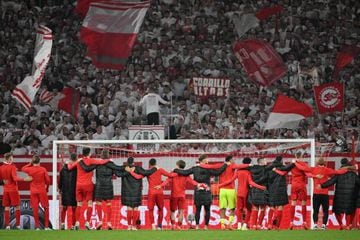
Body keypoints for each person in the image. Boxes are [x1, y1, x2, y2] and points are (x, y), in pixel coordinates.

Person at [79, 150, 143, 230]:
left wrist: (80, 162)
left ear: (101, 156)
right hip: (108, 186)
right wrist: (127, 169)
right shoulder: (111, 164)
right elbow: (118, 171)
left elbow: (87, 169)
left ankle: (100, 221)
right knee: (108, 203)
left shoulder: (98, 164)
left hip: (99, 186)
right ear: (108, 156)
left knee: (99, 202)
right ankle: (109, 223)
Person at [173, 154, 227, 230]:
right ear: (204, 160)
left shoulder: (195, 168)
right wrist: (225, 165)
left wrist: (176, 170)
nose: (208, 160)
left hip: (198, 191)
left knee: (198, 210)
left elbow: (185, 172)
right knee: (207, 209)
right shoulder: (208, 169)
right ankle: (206, 226)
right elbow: (218, 172)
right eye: (207, 159)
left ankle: (197, 226)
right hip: (207, 191)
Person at [294, 158, 350, 230]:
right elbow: (338, 172)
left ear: (317, 163)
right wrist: (348, 170)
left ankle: (315, 225)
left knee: (315, 210)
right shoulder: (327, 170)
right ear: (324, 163)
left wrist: (295, 163)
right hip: (324, 194)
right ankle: (323, 225)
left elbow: (302, 168)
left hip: (316, 193)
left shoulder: (313, 169)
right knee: (325, 210)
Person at [201, 155, 250, 230]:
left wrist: (200, 164)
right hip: (230, 190)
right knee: (232, 208)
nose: (234, 161)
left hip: (222, 190)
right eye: (233, 160)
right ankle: (230, 224)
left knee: (222, 208)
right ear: (230, 160)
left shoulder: (221, 165)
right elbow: (240, 166)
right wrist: (249, 165)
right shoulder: (232, 165)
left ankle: (223, 225)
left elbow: (211, 166)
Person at [217, 157, 266, 230]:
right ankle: (244, 225)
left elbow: (231, 180)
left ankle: (239, 224)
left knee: (239, 209)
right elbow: (250, 182)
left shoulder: (238, 171)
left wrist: (220, 185)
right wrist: (260, 187)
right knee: (249, 209)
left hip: (238, 193)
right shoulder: (248, 172)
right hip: (246, 193)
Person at [67, 147, 110, 230]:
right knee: (89, 203)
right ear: (89, 153)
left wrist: (68, 163)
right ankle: (87, 222)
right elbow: (102, 161)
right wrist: (109, 160)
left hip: (78, 185)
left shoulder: (79, 161)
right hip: (88, 185)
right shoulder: (91, 160)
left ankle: (77, 223)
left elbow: (69, 167)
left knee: (79, 204)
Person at [156, 160, 199, 230]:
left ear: (177, 165)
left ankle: (173, 226)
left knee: (172, 211)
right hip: (182, 196)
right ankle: (179, 226)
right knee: (181, 211)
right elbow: (192, 181)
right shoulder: (186, 174)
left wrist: (160, 185)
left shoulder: (174, 173)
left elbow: (167, 180)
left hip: (174, 195)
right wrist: (199, 184)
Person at [321, 158, 360, 230]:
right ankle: (348, 225)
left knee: (337, 211)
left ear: (341, 164)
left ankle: (341, 224)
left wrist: (322, 185)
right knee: (350, 211)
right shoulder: (354, 174)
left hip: (339, 196)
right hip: (351, 196)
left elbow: (331, 181)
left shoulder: (339, 173)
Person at [0, 152, 32, 229]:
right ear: (9, 159)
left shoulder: (1, 167)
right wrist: (24, 179)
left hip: (6, 190)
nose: (12, 159)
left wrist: (3, 182)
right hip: (13, 189)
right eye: (12, 158)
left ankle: (7, 226)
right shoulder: (12, 167)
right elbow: (15, 178)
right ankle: (18, 225)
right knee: (17, 207)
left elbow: (1, 180)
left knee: (7, 208)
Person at [22, 155, 51, 230]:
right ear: (39, 161)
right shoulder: (43, 169)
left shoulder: (29, 169)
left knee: (35, 209)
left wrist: (30, 163)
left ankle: (37, 227)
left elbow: (23, 168)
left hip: (33, 191)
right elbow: (48, 180)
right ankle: (46, 227)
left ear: (33, 161)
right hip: (42, 190)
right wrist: (47, 188)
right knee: (46, 208)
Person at [145, 158, 174, 230]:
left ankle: (153, 225)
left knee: (151, 209)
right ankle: (159, 226)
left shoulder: (147, 171)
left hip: (151, 192)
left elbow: (139, 176)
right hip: (159, 192)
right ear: (155, 163)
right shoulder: (160, 169)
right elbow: (170, 175)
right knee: (160, 209)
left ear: (149, 164)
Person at [267, 156, 294, 229]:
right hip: (281, 189)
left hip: (272, 189)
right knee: (280, 207)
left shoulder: (270, 168)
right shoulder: (282, 167)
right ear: (281, 160)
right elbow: (286, 170)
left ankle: (269, 224)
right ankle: (276, 225)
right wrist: (293, 162)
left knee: (272, 206)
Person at [247, 158, 270, 230]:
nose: (266, 162)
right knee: (263, 208)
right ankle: (259, 225)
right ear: (262, 162)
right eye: (265, 160)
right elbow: (267, 177)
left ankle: (253, 225)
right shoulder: (265, 169)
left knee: (255, 208)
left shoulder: (252, 169)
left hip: (254, 190)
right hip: (263, 189)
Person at [58, 153, 78, 230]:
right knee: (74, 208)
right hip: (74, 190)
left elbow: (60, 180)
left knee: (64, 207)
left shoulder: (63, 169)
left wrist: (60, 188)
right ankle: (73, 225)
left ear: (70, 159)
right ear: (76, 158)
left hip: (65, 190)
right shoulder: (77, 168)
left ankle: (62, 224)